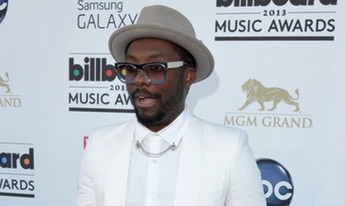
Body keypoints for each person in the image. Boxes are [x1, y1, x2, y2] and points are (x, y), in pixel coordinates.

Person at [75, 5, 266, 206]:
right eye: (130, 68)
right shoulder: (99, 146)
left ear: (187, 76)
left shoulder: (229, 149)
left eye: (156, 68)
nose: (139, 80)